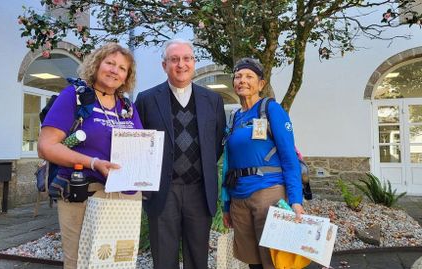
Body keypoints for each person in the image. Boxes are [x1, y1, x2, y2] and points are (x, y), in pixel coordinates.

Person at [37, 43, 142, 269]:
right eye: (110, 63)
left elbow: (139, 147)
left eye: (122, 68)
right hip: (82, 193)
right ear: (97, 65)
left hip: (122, 196)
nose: (115, 70)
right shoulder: (74, 96)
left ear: (126, 77)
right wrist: (92, 162)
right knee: (80, 261)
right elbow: (46, 147)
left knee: (116, 262)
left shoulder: (127, 107)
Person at [135, 39, 226, 269]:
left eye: (186, 58)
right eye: (174, 59)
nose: (181, 64)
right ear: (164, 65)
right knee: (164, 259)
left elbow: (216, 142)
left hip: (199, 190)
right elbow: (139, 143)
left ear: (194, 63)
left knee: (198, 258)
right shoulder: (146, 100)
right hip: (162, 192)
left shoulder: (213, 100)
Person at [222, 58, 305, 269]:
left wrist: (296, 200)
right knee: (253, 263)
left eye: (249, 76)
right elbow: (227, 165)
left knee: (275, 261)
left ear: (261, 83)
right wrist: (226, 204)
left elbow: (289, 157)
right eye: (238, 76)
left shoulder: (271, 109)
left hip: (269, 194)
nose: (242, 80)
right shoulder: (234, 118)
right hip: (239, 199)